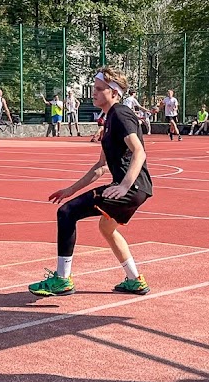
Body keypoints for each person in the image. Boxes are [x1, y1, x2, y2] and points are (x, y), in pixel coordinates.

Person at [29, 67, 152, 297]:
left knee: (66, 213)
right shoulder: (109, 120)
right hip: (137, 188)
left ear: (114, 92)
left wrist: (124, 185)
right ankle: (135, 280)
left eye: (98, 89)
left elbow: (139, 152)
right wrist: (70, 189)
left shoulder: (120, 114)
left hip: (132, 187)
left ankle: (62, 279)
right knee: (106, 228)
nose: (93, 93)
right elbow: (100, 168)